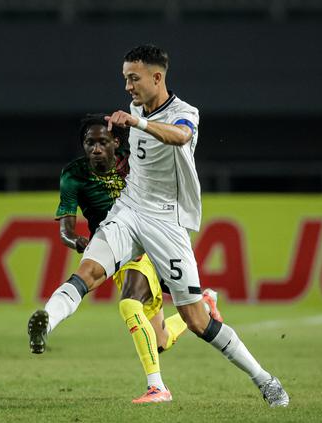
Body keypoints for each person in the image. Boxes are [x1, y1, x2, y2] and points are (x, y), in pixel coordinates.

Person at [29, 44, 289, 407]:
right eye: (125, 79)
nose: (128, 87)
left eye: (133, 78)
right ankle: (46, 320)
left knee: (196, 321)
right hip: (129, 209)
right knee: (88, 272)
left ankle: (265, 380)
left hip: (167, 222)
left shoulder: (184, 113)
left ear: (156, 77)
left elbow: (179, 137)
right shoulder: (135, 108)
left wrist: (137, 122)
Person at [41, 114, 222, 400]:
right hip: (114, 249)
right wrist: (75, 240)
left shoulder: (135, 160)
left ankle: (157, 387)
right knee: (159, 340)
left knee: (129, 304)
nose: (96, 149)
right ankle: (206, 306)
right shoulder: (74, 174)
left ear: (116, 143)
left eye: (102, 142)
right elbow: (66, 228)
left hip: (147, 240)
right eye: (89, 142)